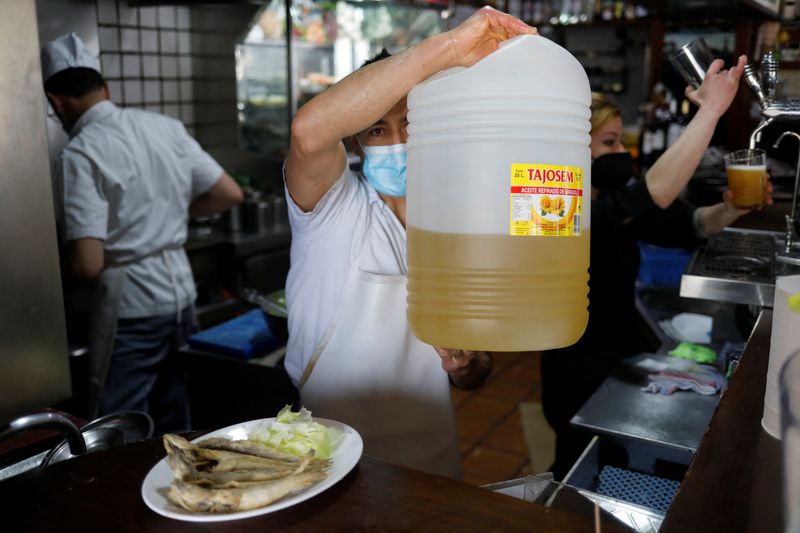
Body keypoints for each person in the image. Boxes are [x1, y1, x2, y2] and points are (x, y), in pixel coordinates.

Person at [283, 8, 535, 478]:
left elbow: (476, 373)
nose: (398, 141)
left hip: (434, 463)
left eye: (412, 123)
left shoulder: (457, 225)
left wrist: (463, 363)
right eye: (378, 129)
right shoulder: (334, 211)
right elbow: (308, 132)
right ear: (356, 144)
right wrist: (448, 49)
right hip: (332, 462)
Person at [540, 56, 773, 479]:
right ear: (573, 146)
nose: (620, 152)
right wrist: (711, 110)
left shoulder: (609, 198)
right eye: (609, 142)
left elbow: (684, 224)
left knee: (613, 458)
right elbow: (653, 195)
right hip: (576, 362)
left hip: (618, 345)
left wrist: (729, 209)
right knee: (577, 461)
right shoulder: (557, 208)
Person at [41, 33, 244, 434]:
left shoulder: (81, 152)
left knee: (118, 422)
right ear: (105, 89)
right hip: (181, 294)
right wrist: (169, 217)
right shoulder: (164, 127)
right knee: (176, 414)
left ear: (56, 103)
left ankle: (119, 494)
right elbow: (229, 193)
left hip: (131, 305)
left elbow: (88, 263)